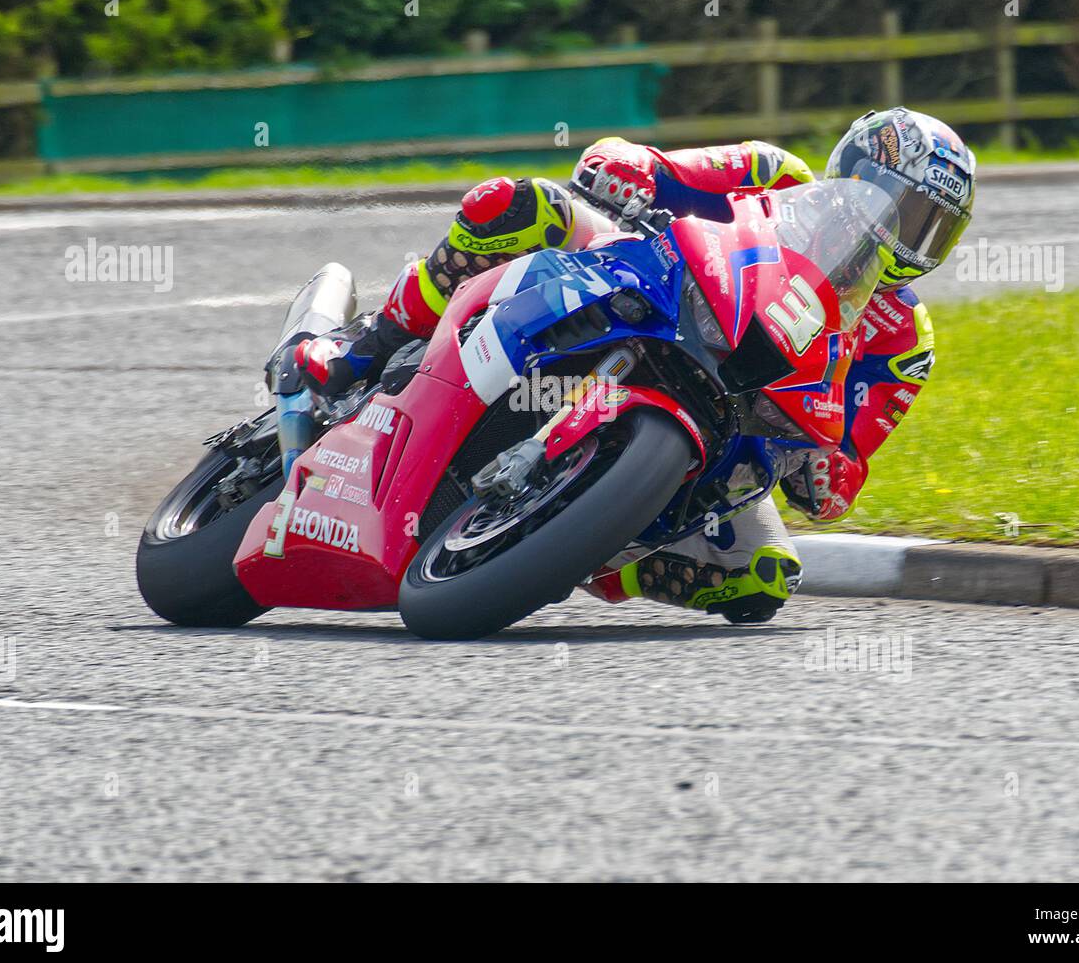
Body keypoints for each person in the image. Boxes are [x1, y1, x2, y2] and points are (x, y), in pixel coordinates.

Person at [292, 108, 976, 623]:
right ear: (857, 177)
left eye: (932, 228)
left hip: (732, 425)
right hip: (652, 290)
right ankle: (359, 353)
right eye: (905, 209)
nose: (910, 238)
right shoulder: (774, 175)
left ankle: (585, 544)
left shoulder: (904, 338)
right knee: (522, 206)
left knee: (763, 576)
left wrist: (826, 470)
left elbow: (851, 462)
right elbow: (655, 165)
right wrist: (626, 168)